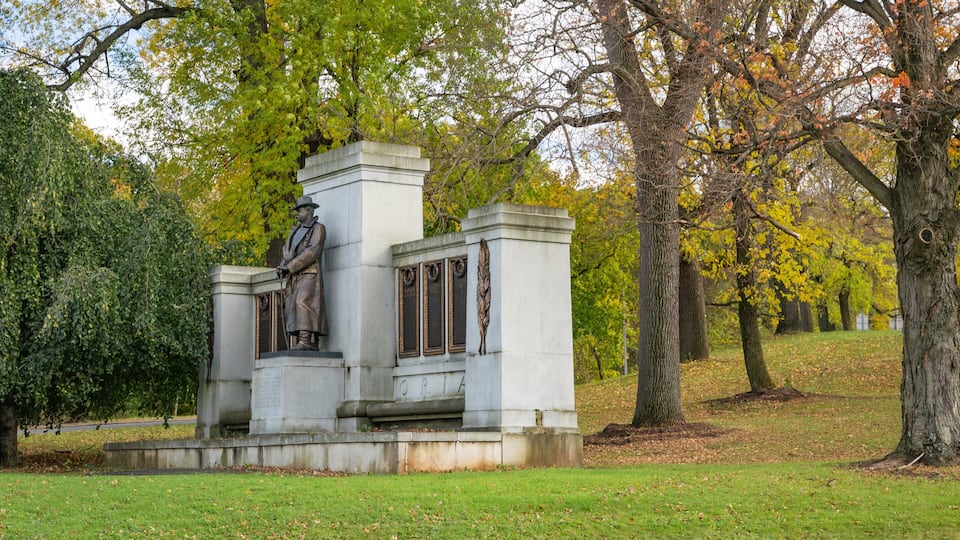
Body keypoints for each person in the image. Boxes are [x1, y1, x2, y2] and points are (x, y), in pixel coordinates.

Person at [276, 196, 328, 350]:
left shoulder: (318, 228)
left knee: (302, 302)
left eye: (299, 210)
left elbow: (312, 252)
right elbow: (287, 251)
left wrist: (290, 266)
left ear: (309, 210)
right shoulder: (295, 230)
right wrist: (282, 266)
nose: (296, 213)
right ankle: (303, 340)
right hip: (295, 275)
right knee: (291, 304)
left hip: (310, 274)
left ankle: (306, 341)